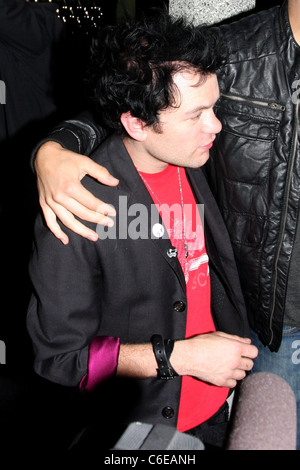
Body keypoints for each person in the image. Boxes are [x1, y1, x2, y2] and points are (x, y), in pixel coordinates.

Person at [31, 0, 300, 449]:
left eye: (213, 107)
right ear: (137, 123)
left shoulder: (194, 158)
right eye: (195, 115)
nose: (216, 126)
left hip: (217, 407)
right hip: (142, 426)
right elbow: (61, 358)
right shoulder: (80, 205)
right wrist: (183, 357)